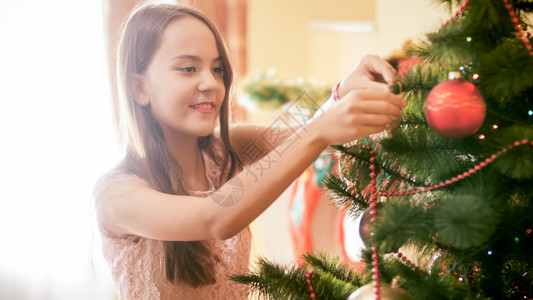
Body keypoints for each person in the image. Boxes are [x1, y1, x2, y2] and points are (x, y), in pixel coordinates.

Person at [94, 2, 406, 299]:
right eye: (189, 68)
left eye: (217, 70)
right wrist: (322, 127)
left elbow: (298, 133)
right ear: (139, 88)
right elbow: (215, 217)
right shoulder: (117, 195)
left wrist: (341, 91)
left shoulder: (230, 148)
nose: (210, 83)